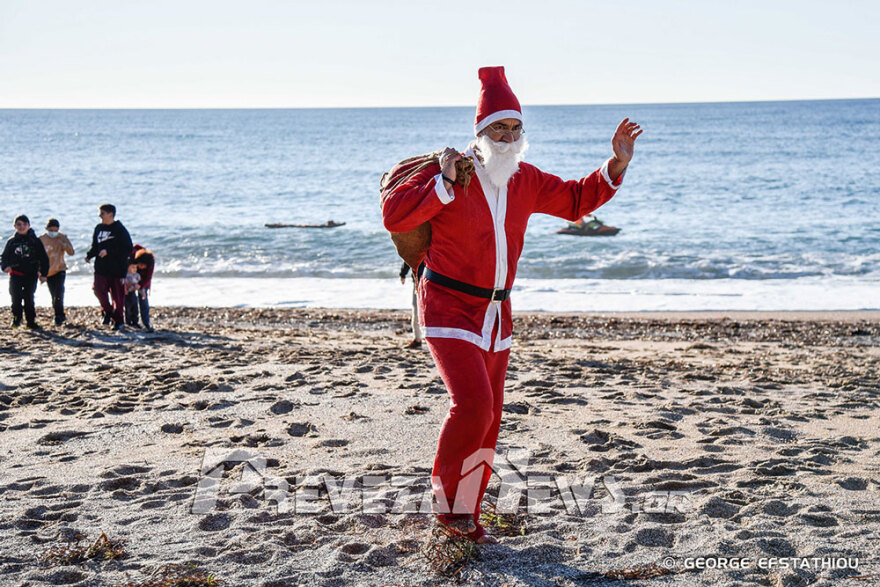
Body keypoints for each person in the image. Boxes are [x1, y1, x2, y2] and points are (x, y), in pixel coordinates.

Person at [382, 66, 641, 543]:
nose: (506, 135)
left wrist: (616, 163)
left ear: (523, 132)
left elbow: (575, 199)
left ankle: (467, 513)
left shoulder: (526, 179)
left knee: (492, 414)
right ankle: (447, 511)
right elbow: (395, 213)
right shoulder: (454, 174)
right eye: (497, 127)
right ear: (479, 132)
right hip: (447, 306)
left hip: (497, 314)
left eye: (514, 127)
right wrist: (440, 181)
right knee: (473, 406)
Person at [85, 204, 132, 330]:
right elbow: (96, 245)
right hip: (101, 267)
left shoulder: (120, 229)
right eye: (100, 213)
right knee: (98, 290)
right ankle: (108, 311)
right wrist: (90, 255)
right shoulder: (98, 228)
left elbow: (128, 248)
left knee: (117, 296)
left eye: (102, 213)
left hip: (117, 268)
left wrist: (109, 251)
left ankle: (118, 321)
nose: (100, 216)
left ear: (111, 214)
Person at [1, 215, 50, 329]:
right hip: (15, 275)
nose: (21, 227)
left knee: (29, 298)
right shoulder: (11, 241)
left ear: (29, 226)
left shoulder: (35, 241)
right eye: (19, 225)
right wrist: (4, 267)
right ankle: (17, 318)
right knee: (15, 297)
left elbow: (44, 258)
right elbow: (4, 257)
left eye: (24, 224)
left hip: (31, 275)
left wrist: (44, 274)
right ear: (15, 226)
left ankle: (30, 321)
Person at [38, 218, 75, 326]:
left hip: (60, 269)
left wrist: (63, 244)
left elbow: (71, 252)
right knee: (53, 295)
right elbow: (37, 256)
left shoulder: (62, 237)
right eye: (51, 230)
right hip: (48, 271)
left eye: (55, 230)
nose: (53, 232)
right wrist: (39, 272)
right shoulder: (41, 239)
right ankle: (58, 313)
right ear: (46, 229)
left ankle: (59, 316)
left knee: (59, 293)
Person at [128, 245, 155, 332]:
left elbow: (148, 277)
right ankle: (131, 321)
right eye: (141, 265)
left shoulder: (150, 262)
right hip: (130, 277)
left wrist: (140, 285)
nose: (142, 267)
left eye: (144, 266)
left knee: (143, 299)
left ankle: (146, 323)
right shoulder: (133, 255)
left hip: (143, 280)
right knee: (130, 300)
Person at [399, 261, 425, 348]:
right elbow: (409, 256)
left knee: (419, 310)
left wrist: (402, 274)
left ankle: (419, 339)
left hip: (430, 280)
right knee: (416, 310)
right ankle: (417, 339)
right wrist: (403, 273)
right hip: (420, 281)